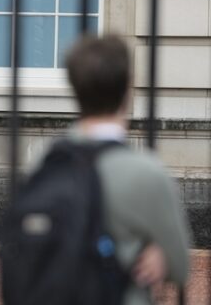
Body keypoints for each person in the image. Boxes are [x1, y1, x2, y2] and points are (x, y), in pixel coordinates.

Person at [64, 35, 190, 303]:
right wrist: (160, 251)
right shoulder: (145, 172)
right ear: (126, 90)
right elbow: (180, 267)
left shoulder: (45, 161)